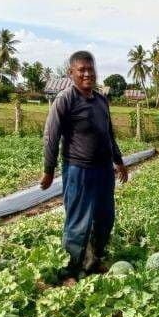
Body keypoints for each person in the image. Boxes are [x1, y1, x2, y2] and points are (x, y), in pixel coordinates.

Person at [40, 51, 129, 286]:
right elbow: (51, 136)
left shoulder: (101, 100)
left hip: (103, 171)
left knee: (104, 218)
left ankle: (92, 262)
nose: (87, 73)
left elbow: (109, 134)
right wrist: (49, 170)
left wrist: (119, 161)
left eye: (90, 69)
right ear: (71, 73)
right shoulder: (65, 99)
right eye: (81, 70)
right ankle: (70, 271)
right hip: (79, 169)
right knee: (78, 221)